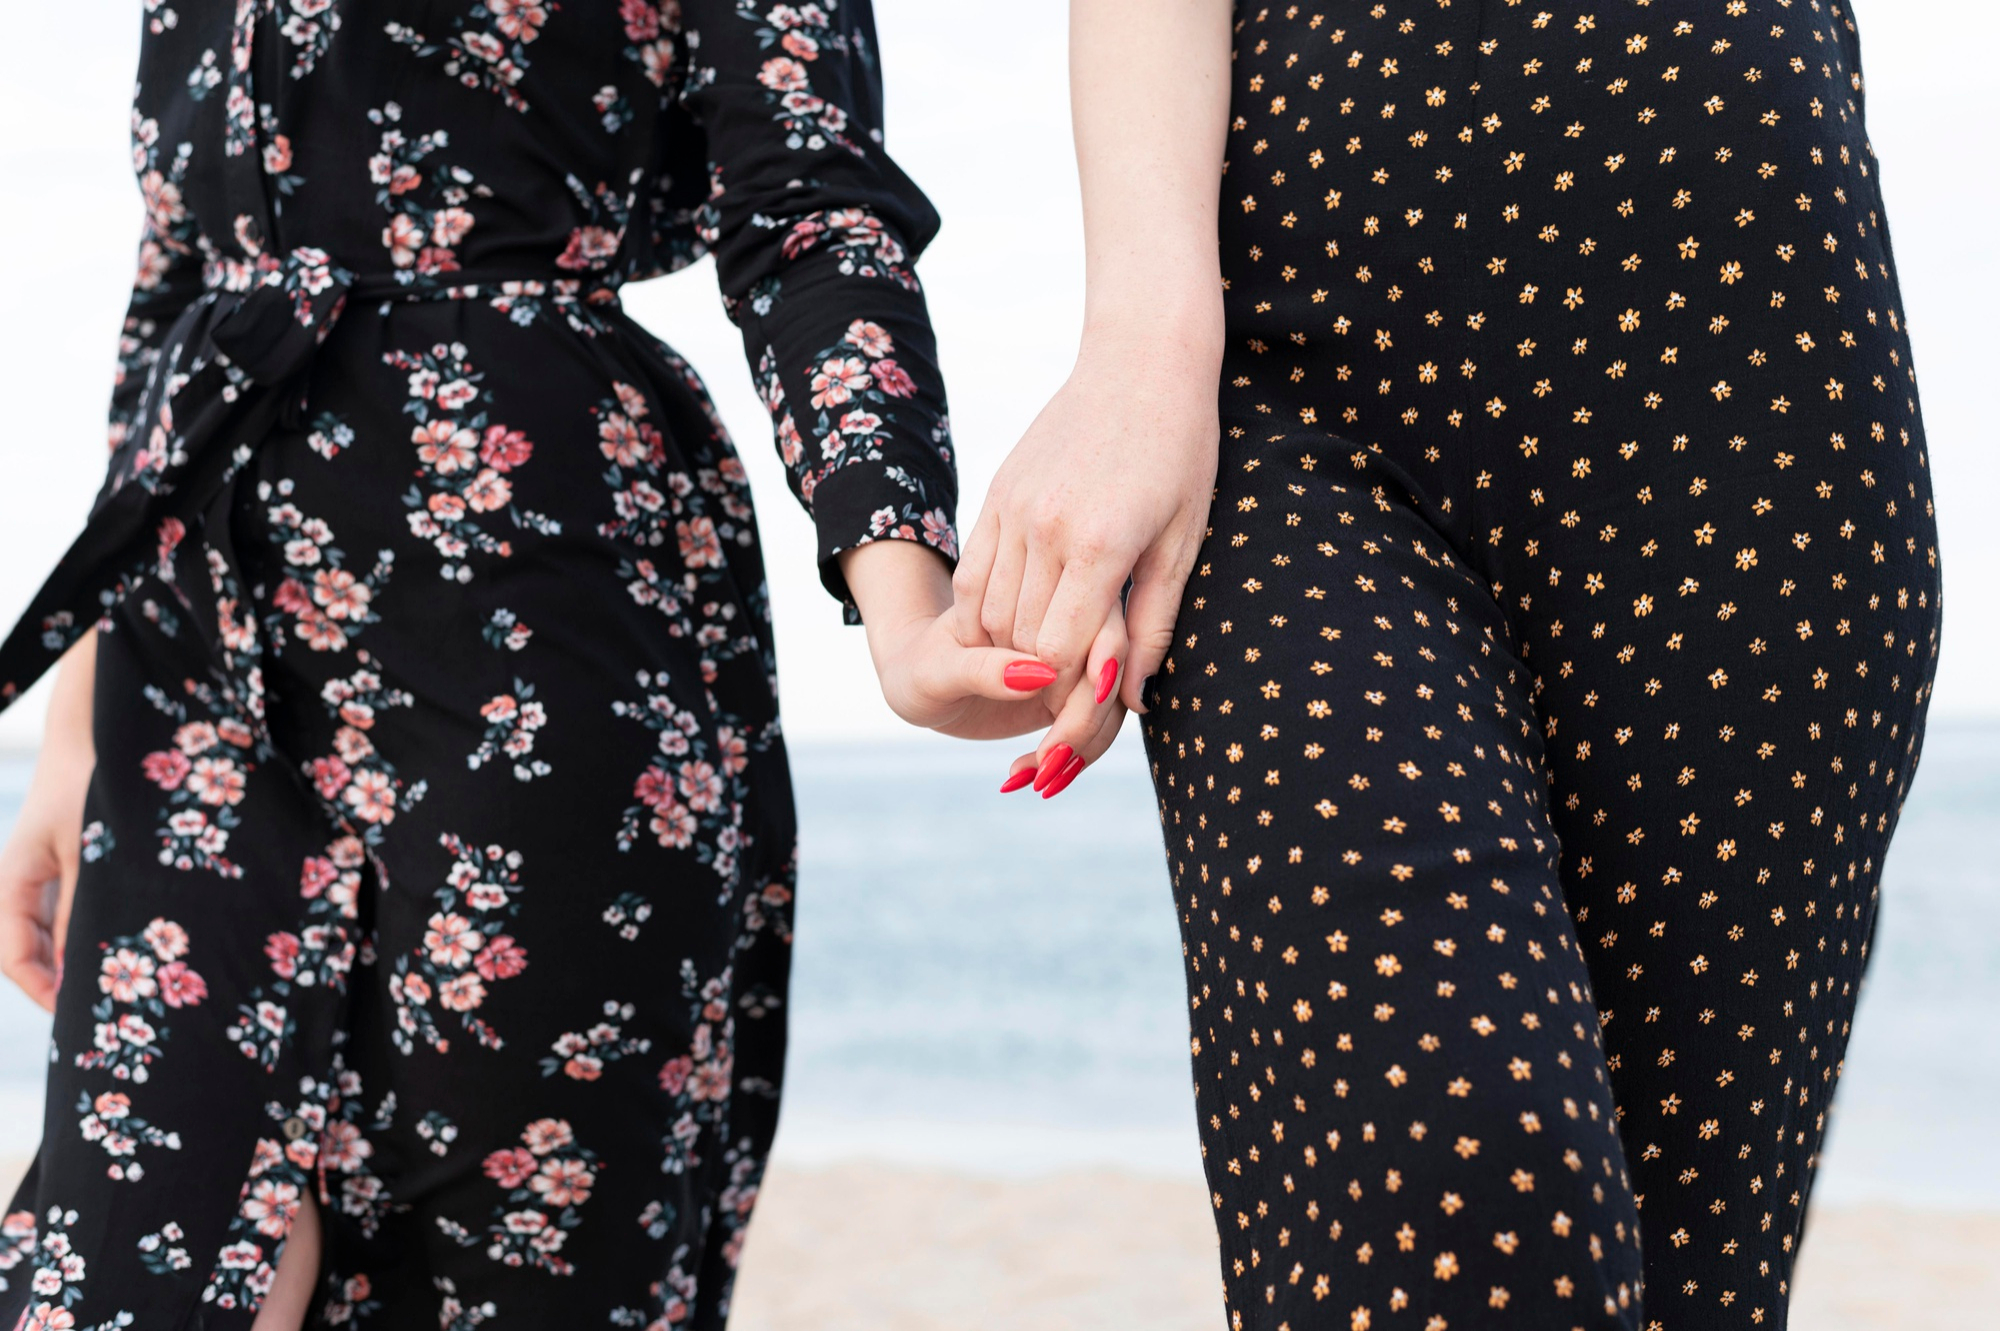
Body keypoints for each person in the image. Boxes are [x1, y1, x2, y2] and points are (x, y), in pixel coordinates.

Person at [0, 2, 1078, 1327]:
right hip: (194, 661)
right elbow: (180, 276)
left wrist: (906, 599)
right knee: (124, 1274)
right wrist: (80, 726)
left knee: (515, 1271)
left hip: (536, 610)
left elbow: (808, 200)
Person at [962, 1, 1942, 1327]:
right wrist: (1142, 347)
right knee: (1463, 1169)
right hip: (1298, 395)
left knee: (1690, 1288)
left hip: (1758, 396)